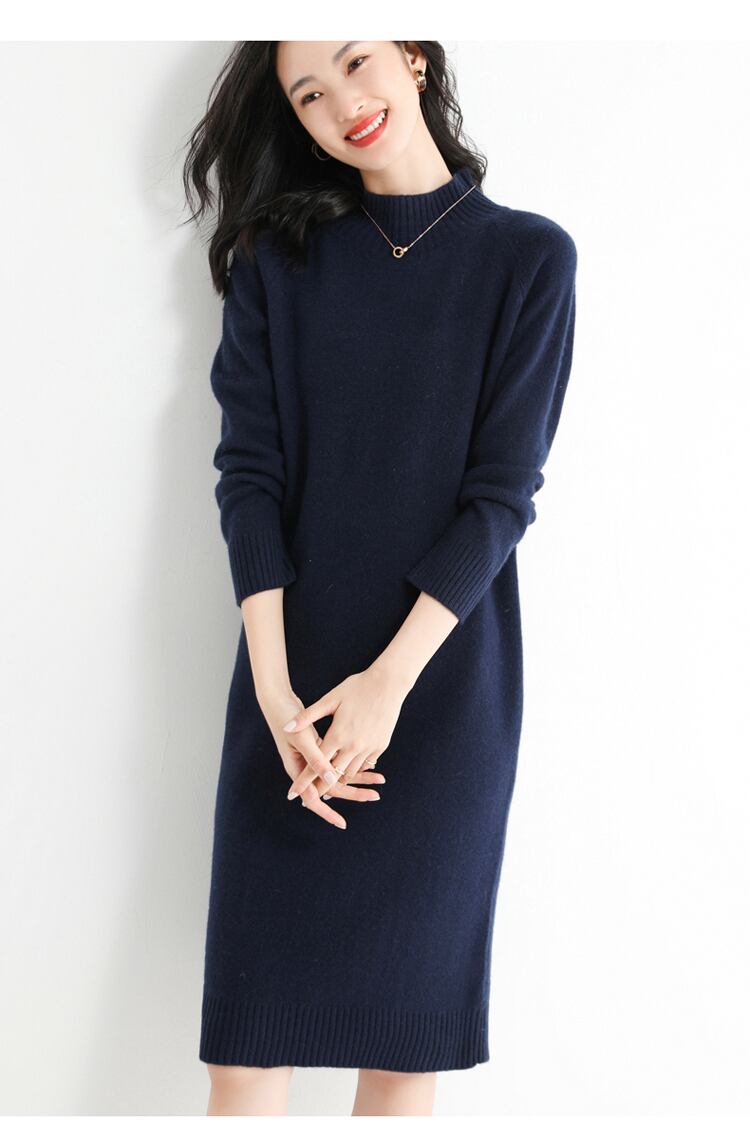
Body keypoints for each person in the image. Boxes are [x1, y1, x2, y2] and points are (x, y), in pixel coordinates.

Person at [183, 40, 578, 1116]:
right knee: (246, 1058)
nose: (343, 103)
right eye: (309, 94)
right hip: (291, 699)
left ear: (413, 57)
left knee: (404, 1055)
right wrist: (276, 692)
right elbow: (249, 478)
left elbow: (501, 497)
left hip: (438, 693)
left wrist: (387, 685)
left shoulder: (528, 259)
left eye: (357, 63)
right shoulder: (276, 261)